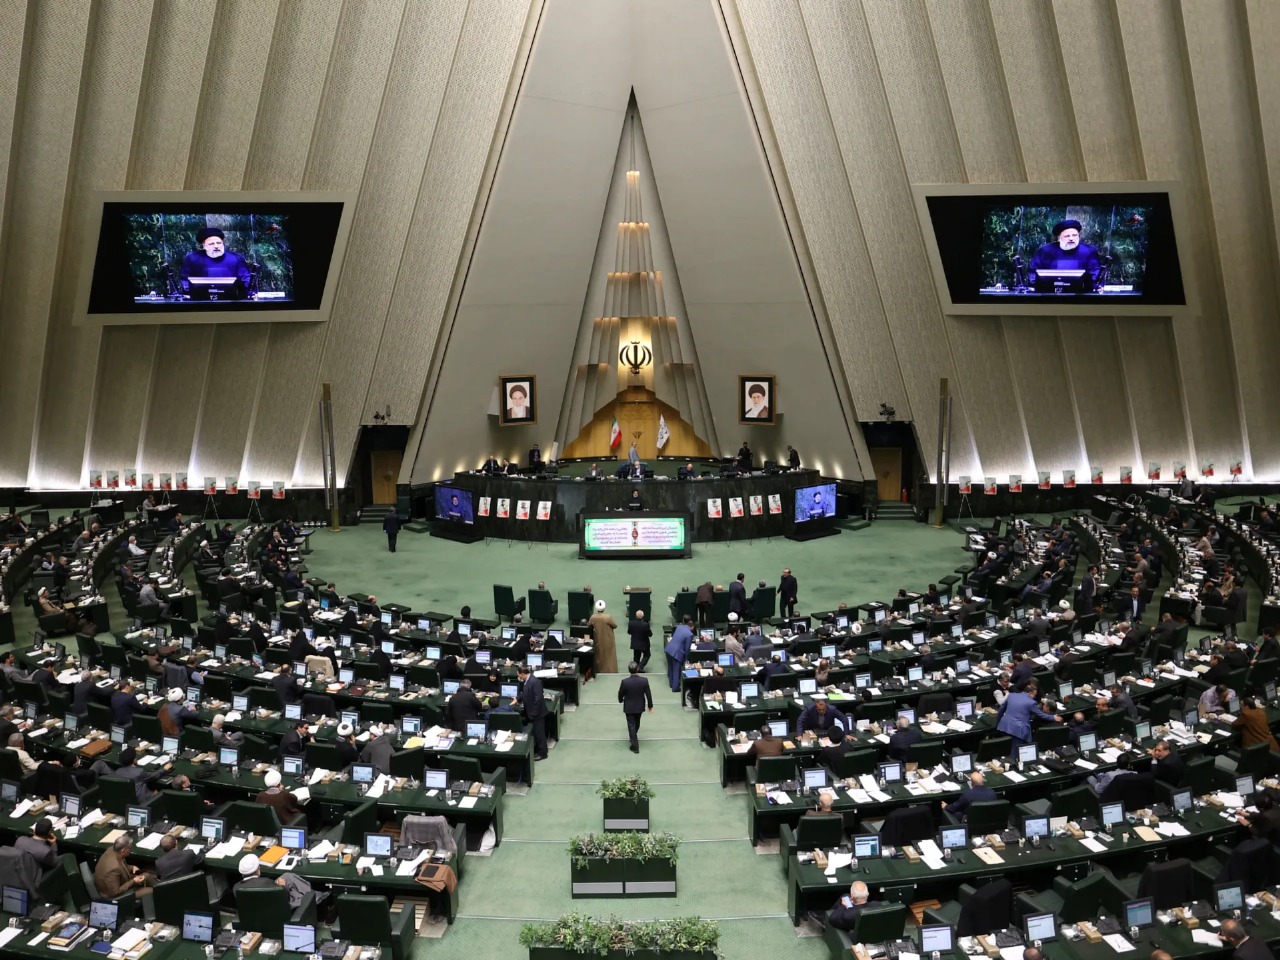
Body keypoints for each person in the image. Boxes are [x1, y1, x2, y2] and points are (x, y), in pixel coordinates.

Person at [1028, 219, 1101, 292]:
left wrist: (1095, 287)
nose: (1071, 239)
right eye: (1067, 236)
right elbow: (1033, 272)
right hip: (1049, 294)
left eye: (1074, 235)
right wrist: (1034, 288)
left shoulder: (1089, 251)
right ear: (1059, 238)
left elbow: (1095, 274)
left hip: (1081, 295)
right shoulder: (1045, 251)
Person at [181, 227, 252, 299]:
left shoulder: (236, 258)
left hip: (231, 300)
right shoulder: (193, 258)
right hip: (201, 301)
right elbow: (185, 280)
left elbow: (246, 279)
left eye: (219, 243)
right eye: (211, 244)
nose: (216, 246)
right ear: (204, 246)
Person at [996, 680, 1061, 747]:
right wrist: (1053, 717)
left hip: (1004, 725)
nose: (1034, 697)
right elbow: (1041, 715)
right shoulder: (1031, 702)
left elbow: (1001, 710)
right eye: (1034, 695)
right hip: (1018, 730)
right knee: (1016, 750)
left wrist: (998, 723)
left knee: (1005, 748)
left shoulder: (1011, 695)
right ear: (1030, 693)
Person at [617, 662, 653, 753]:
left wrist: (620, 700)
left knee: (631, 726)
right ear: (637, 669)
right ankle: (634, 744)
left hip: (629, 707)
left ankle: (634, 741)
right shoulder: (644, 681)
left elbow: (621, 693)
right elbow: (648, 694)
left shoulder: (625, 682)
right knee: (636, 724)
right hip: (639, 706)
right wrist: (650, 705)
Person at [519, 666, 548, 761]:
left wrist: (534, 713)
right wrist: (517, 698)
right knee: (536, 732)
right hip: (532, 712)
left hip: (537, 713)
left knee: (540, 734)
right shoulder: (527, 681)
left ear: (522, 674)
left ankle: (543, 753)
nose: (519, 677)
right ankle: (538, 749)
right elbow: (525, 693)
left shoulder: (534, 682)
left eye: (519, 675)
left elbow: (538, 698)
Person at [664, 617, 694, 694]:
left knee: (671, 667)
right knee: (676, 670)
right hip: (677, 652)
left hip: (669, 648)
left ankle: (671, 684)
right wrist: (686, 659)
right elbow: (687, 648)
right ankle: (675, 687)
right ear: (692, 627)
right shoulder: (690, 634)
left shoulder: (679, 627)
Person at [589, 600, 619, 674]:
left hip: (598, 639)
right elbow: (615, 625)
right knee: (609, 655)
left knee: (599, 655)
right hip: (608, 639)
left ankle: (599, 670)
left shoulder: (593, 617)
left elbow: (589, 625)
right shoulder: (608, 617)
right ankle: (611, 670)